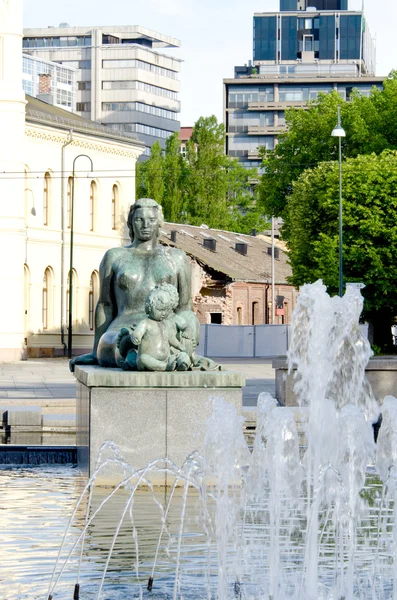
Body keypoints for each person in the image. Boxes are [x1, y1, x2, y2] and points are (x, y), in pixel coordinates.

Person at [69, 198, 194, 371]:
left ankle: (145, 358)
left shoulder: (176, 258)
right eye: (139, 219)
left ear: (159, 223)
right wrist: (95, 350)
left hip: (164, 330)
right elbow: (106, 305)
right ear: (130, 222)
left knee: (158, 343)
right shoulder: (114, 257)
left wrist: (189, 340)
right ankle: (140, 356)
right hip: (122, 330)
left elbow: (185, 307)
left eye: (151, 220)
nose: (145, 225)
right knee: (112, 342)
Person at [119, 283, 191, 371]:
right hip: (149, 359)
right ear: (149, 308)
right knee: (143, 359)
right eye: (160, 310)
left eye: (165, 310)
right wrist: (136, 336)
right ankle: (164, 367)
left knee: (183, 355)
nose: (163, 313)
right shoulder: (145, 323)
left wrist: (179, 345)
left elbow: (170, 338)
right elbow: (137, 332)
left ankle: (183, 364)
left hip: (166, 358)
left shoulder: (166, 323)